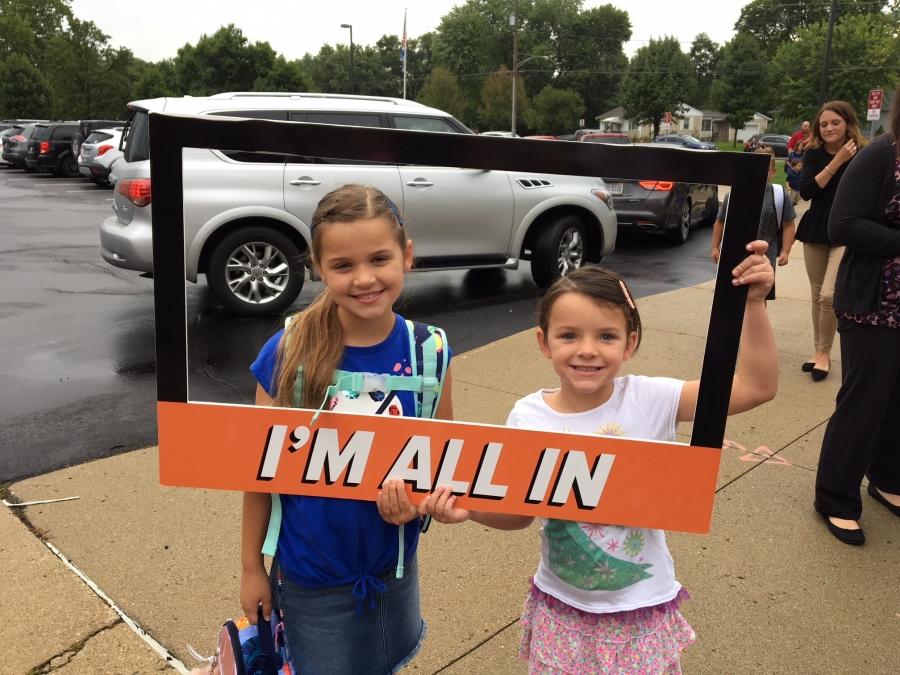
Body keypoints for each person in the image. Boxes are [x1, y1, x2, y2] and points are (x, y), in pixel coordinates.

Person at [420, 253, 778, 674]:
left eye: (607, 336)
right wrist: (470, 510)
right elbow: (519, 513)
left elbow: (756, 387)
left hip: (640, 605)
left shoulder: (653, 399)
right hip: (562, 606)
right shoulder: (528, 416)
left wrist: (754, 304)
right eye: (569, 335)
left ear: (630, 343)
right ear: (543, 342)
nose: (587, 350)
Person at [241, 184, 454, 675]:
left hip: (393, 571)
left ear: (407, 255)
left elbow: (441, 462)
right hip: (309, 576)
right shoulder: (287, 350)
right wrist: (252, 568)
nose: (364, 279)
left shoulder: (431, 352)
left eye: (380, 258)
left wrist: (421, 503)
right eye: (342, 265)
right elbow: (258, 471)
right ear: (318, 267)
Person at [814, 82, 900, 546]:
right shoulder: (881, 155)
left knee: (898, 401)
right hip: (875, 304)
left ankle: (888, 478)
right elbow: (842, 224)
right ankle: (835, 497)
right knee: (865, 400)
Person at [795, 101, 866, 381]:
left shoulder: (863, 154)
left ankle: (824, 354)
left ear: (847, 123)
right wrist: (836, 162)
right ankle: (818, 351)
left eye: (835, 122)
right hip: (816, 228)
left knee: (829, 295)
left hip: (846, 231)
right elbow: (808, 191)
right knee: (816, 295)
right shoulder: (814, 153)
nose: (828, 128)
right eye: (823, 124)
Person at [712, 148, 797, 300]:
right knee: (732, 295)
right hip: (736, 255)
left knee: (759, 297)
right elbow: (721, 221)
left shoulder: (779, 196)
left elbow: (788, 224)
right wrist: (715, 247)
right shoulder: (734, 195)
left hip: (766, 258)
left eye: (766, 169)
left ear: (773, 171)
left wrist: (786, 251)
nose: (759, 173)